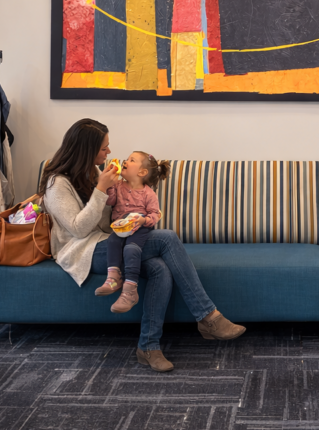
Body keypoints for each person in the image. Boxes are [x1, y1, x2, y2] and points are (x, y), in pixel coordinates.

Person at [38, 119, 245, 372]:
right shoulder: (57, 184)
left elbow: (106, 222)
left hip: (109, 240)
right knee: (167, 238)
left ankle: (148, 346)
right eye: (104, 148)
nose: (109, 153)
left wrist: (122, 200)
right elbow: (79, 229)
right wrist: (102, 189)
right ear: (86, 149)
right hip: (82, 251)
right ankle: (208, 317)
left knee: (160, 268)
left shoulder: (92, 173)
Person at [96, 151, 169, 314]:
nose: (125, 161)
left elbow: (155, 214)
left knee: (131, 249)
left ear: (142, 172)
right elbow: (110, 201)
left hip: (140, 226)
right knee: (113, 241)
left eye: (131, 160)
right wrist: (109, 185)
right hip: (121, 226)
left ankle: (130, 290)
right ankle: (113, 278)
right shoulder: (118, 185)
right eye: (127, 159)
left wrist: (143, 221)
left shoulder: (148, 193)